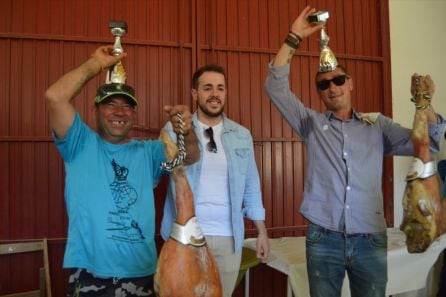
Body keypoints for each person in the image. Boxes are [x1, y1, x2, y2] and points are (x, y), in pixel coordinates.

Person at [264, 6, 446, 297]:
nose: (332, 87)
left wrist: (424, 103)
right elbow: (276, 87)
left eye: (338, 80)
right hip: (324, 237)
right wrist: (294, 36)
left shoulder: (378, 126)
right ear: (319, 92)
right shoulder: (311, 124)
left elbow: (429, 142)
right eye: (324, 84)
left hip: (370, 237)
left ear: (350, 83)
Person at [45, 45, 199, 297]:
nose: (119, 112)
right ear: (95, 110)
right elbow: (55, 97)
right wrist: (96, 64)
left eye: (127, 106)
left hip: (142, 276)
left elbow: (191, 156)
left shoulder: (148, 152)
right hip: (90, 276)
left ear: (134, 114)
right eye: (110, 104)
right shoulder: (79, 143)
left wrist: (185, 130)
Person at [160, 64, 269, 297]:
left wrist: (261, 232)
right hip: (185, 237)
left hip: (228, 239)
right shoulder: (174, 129)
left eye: (220, 88)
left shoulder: (242, 135)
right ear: (194, 93)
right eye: (207, 88)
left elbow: (251, 185)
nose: (214, 94)